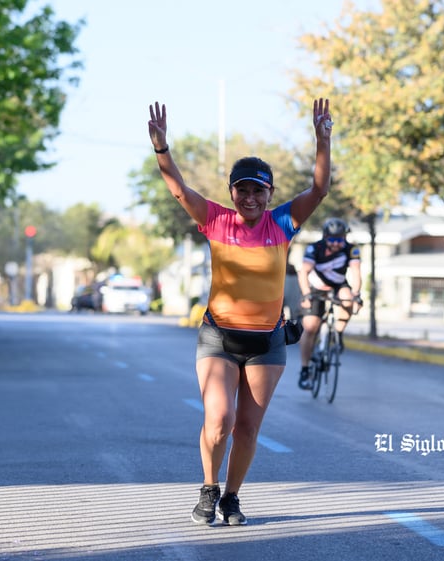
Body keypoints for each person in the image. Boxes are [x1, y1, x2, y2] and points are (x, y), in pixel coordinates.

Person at [148, 97, 332, 525]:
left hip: (267, 341)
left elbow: (320, 189)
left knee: (247, 428)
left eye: (258, 189)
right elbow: (177, 187)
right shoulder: (215, 220)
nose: (250, 197)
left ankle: (232, 496)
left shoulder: (283, 223)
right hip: (219, 337)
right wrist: (162, 148)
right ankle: (209, 488)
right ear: (232, 192)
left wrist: (323, 141)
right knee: (220, 418)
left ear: (270, 193)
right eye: (242, 189)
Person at [297, 217, 362, 390]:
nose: (335, 244)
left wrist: (356, 294)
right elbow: (304, 271)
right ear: (325, 237)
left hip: (338, 284)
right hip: (315, 288)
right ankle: (304, 370)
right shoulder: (314, 248)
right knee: (310, 327)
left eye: (339, 240)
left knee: (348, 298)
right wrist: (306, 294)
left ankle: (338, 334)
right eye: (332, 240)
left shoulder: (351, 249)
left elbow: (356, 272)